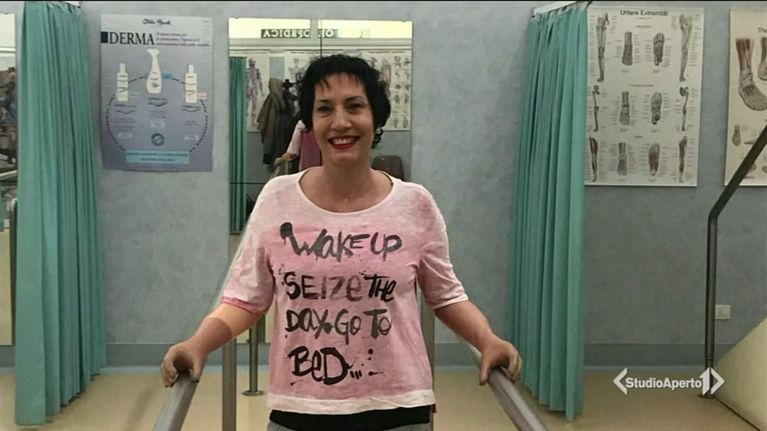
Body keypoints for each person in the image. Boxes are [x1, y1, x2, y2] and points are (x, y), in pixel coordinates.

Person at [161, 54, 522, 431]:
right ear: (310, 123)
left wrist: (487, 339)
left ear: (375, 116)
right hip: (300, 408)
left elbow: (446, 295)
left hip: (397, 407)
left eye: (354, 106)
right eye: (324, 109)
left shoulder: (415, 204)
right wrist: (198, 344)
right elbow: (244, 299)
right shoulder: (277, 199)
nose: (340, 122)